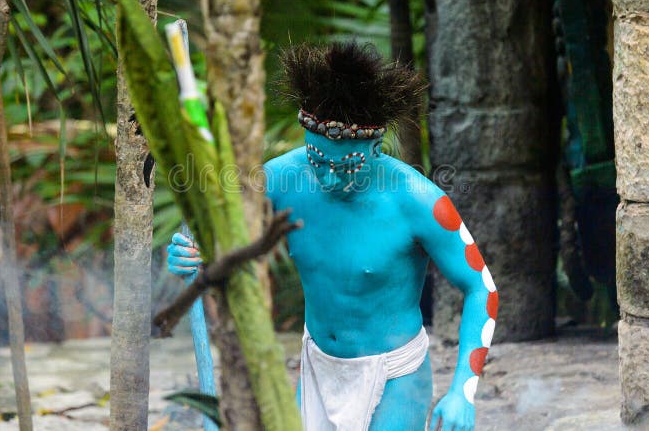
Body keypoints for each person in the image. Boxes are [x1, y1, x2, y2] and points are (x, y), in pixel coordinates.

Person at [168, 42, 498, 431]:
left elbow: (482, 287)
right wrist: (195, 253)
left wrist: (463, 388)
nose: (326, 176)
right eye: (316, 158)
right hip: (317, 367)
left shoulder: (420, 201)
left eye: (345, 165)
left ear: (375, 147)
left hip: (395, 377)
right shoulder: (279, 179)